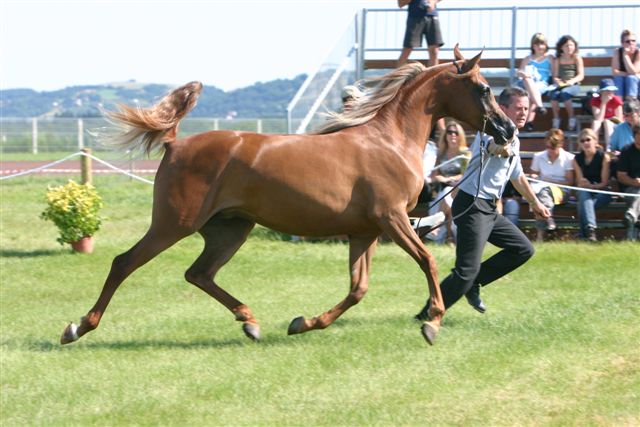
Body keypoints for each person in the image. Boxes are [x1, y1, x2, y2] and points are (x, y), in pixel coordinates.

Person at [415, 86, 550, 320]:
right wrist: (501, 148)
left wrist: (535, 203)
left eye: (526, 109)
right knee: (465, 272)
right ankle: (426, 315)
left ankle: (475, 283)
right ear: (503, 108)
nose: (523, 113)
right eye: (518, 108)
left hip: (488, 208)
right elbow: (492, 146)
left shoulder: (515, 137)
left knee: (522, 249)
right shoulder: (490, 129)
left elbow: (517, 176)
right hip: (472, 206)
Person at [529, 128, 575, 242]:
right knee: (542, 196)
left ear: (561, 144)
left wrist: (551, 182)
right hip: (542, 190)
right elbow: (534, 175)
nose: (550, 150)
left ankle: (541, 233)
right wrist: (534, 176)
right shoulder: (538, 156)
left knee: (542, 194)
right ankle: (547, 223)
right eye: (548, 146)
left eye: (553, 147)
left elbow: (570, 182)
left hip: (562, 191)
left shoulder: (569, 158)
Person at [428, 120, 469, 244]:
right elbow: (434, 175)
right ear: (445, 135)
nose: (453, 135)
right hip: (443, 189)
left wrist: (450, 179)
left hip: (460, 189)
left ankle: (436, 225)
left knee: (447, 194)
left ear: (460, 135)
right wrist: (440, 178)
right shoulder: (441, 154)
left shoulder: (465, 153)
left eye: (456, 132)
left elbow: (467, 174)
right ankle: (450, 237)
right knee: (446, 196)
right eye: (449, 132)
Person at [573, 128, 612, 241]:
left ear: (595, 141)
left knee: (583, 205)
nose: (585, 143)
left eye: (588, 140)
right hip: (586, 192)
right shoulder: (577, 159)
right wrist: (584, 184)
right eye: (582, 141)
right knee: (583, 194)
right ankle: (591, 231)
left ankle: (584, 233)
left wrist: (591, 186)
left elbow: (604, 183)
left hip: (602, 192)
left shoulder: (604, 157)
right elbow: (580, 182)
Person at [517, 32, 553, 131]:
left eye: (542, 44)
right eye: (537, 44)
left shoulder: (549, 58)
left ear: (546, 45)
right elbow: (519, 72)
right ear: (533, 46)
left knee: (531, 95)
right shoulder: (528, 58)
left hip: (542, 84)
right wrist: (524, 74)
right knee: (528, 80)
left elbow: (554, 74)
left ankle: (528, 122)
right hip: (525, 83)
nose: (539, 46)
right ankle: (539, 107)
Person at [549, 35, 584, 131]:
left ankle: (572, 118)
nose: (569, 48)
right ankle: (556, 119)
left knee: (565, 93)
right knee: (553, 94)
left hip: (573, 85)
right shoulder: (558, 60)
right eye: (566, 45)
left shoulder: (577, 58)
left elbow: (581, 75)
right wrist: (557, 81)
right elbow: (555, 76)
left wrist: (571, 81)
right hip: (561, 85)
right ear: (561, 47)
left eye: (571, 45)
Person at [397, 0, 444, 67]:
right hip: (414, 18)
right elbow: (400, 4)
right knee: (407, 49)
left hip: (432, 16)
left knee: (434, 51)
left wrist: (432, 2)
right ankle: (398, 73)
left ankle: (433, 73)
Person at [616, 125, 640, 240]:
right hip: (630, 190)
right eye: (637, 135)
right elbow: (621, 176)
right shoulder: (626, 151)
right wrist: (634, 182)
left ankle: (632, 216)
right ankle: (632, 215)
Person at [590, 78, 623, 151]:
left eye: (612, 90)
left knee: (607, 122)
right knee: (595, 123)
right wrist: (604, 103)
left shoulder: (616, 100)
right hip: (600, 122)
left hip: (613, 124)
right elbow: (598, 119)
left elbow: (619, 120)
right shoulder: (595, 100)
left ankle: (610, 148)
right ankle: (594, 146)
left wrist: (609, 120)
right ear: (601, 92)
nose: (610, 93)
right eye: (608, 90)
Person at [611, 29, 640, 101]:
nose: (631, 43)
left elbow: (633, 71)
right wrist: (624, 54)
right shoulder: (617, 52)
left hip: (636, 82)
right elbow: (615, 72)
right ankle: (618, 103)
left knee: (631, 78)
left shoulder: (638, 53)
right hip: (622, 79)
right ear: (622, 43)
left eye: (633, 41)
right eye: (627, 41)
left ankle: (631, 103)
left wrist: (626, 56)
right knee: (618, 78)